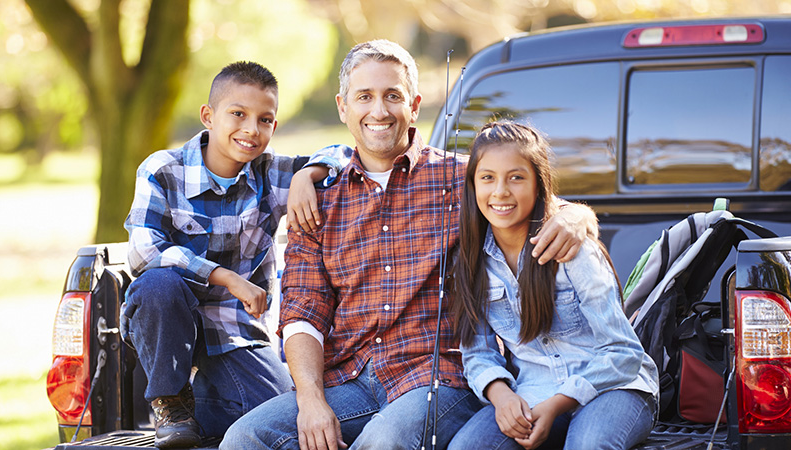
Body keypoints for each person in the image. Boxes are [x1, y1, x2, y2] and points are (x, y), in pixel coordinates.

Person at [220, 40, 597, 450]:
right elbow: (302, 311)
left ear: (414, 105)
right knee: (246, 437)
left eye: (392, 96)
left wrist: (577, 217)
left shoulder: (463, 179)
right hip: (350, 379)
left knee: (382, 442)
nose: (378, 111)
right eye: (364, 97)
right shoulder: (318, 201)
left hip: (440, 377)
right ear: (343, 107)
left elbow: (545, 207)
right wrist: (310, 400)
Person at [120, 61, 350, 448]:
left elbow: (345, 156)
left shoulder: (273, 173)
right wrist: (225, 276)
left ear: (274, 127)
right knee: (158, 284)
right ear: (209, 116)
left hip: (237, 333)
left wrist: (306, 175)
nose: (250, 129)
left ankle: (202, 410)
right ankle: (171, 404)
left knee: (283, 422)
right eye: (238, 114)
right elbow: (144, 253)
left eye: (264, 120)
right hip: (170, 326)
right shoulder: (163, 170)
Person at [447, 121, 659, 450]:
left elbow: (623, 353)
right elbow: (478, 354)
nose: (500, 191)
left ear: (538, 184)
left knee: (587, 445)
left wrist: (557, 404)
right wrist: (501, 395)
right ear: (473, 185)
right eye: (487, 178)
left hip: (614, 388)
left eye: (516, 177)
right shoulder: (472, 260)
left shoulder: (571, 248)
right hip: (534, 389)